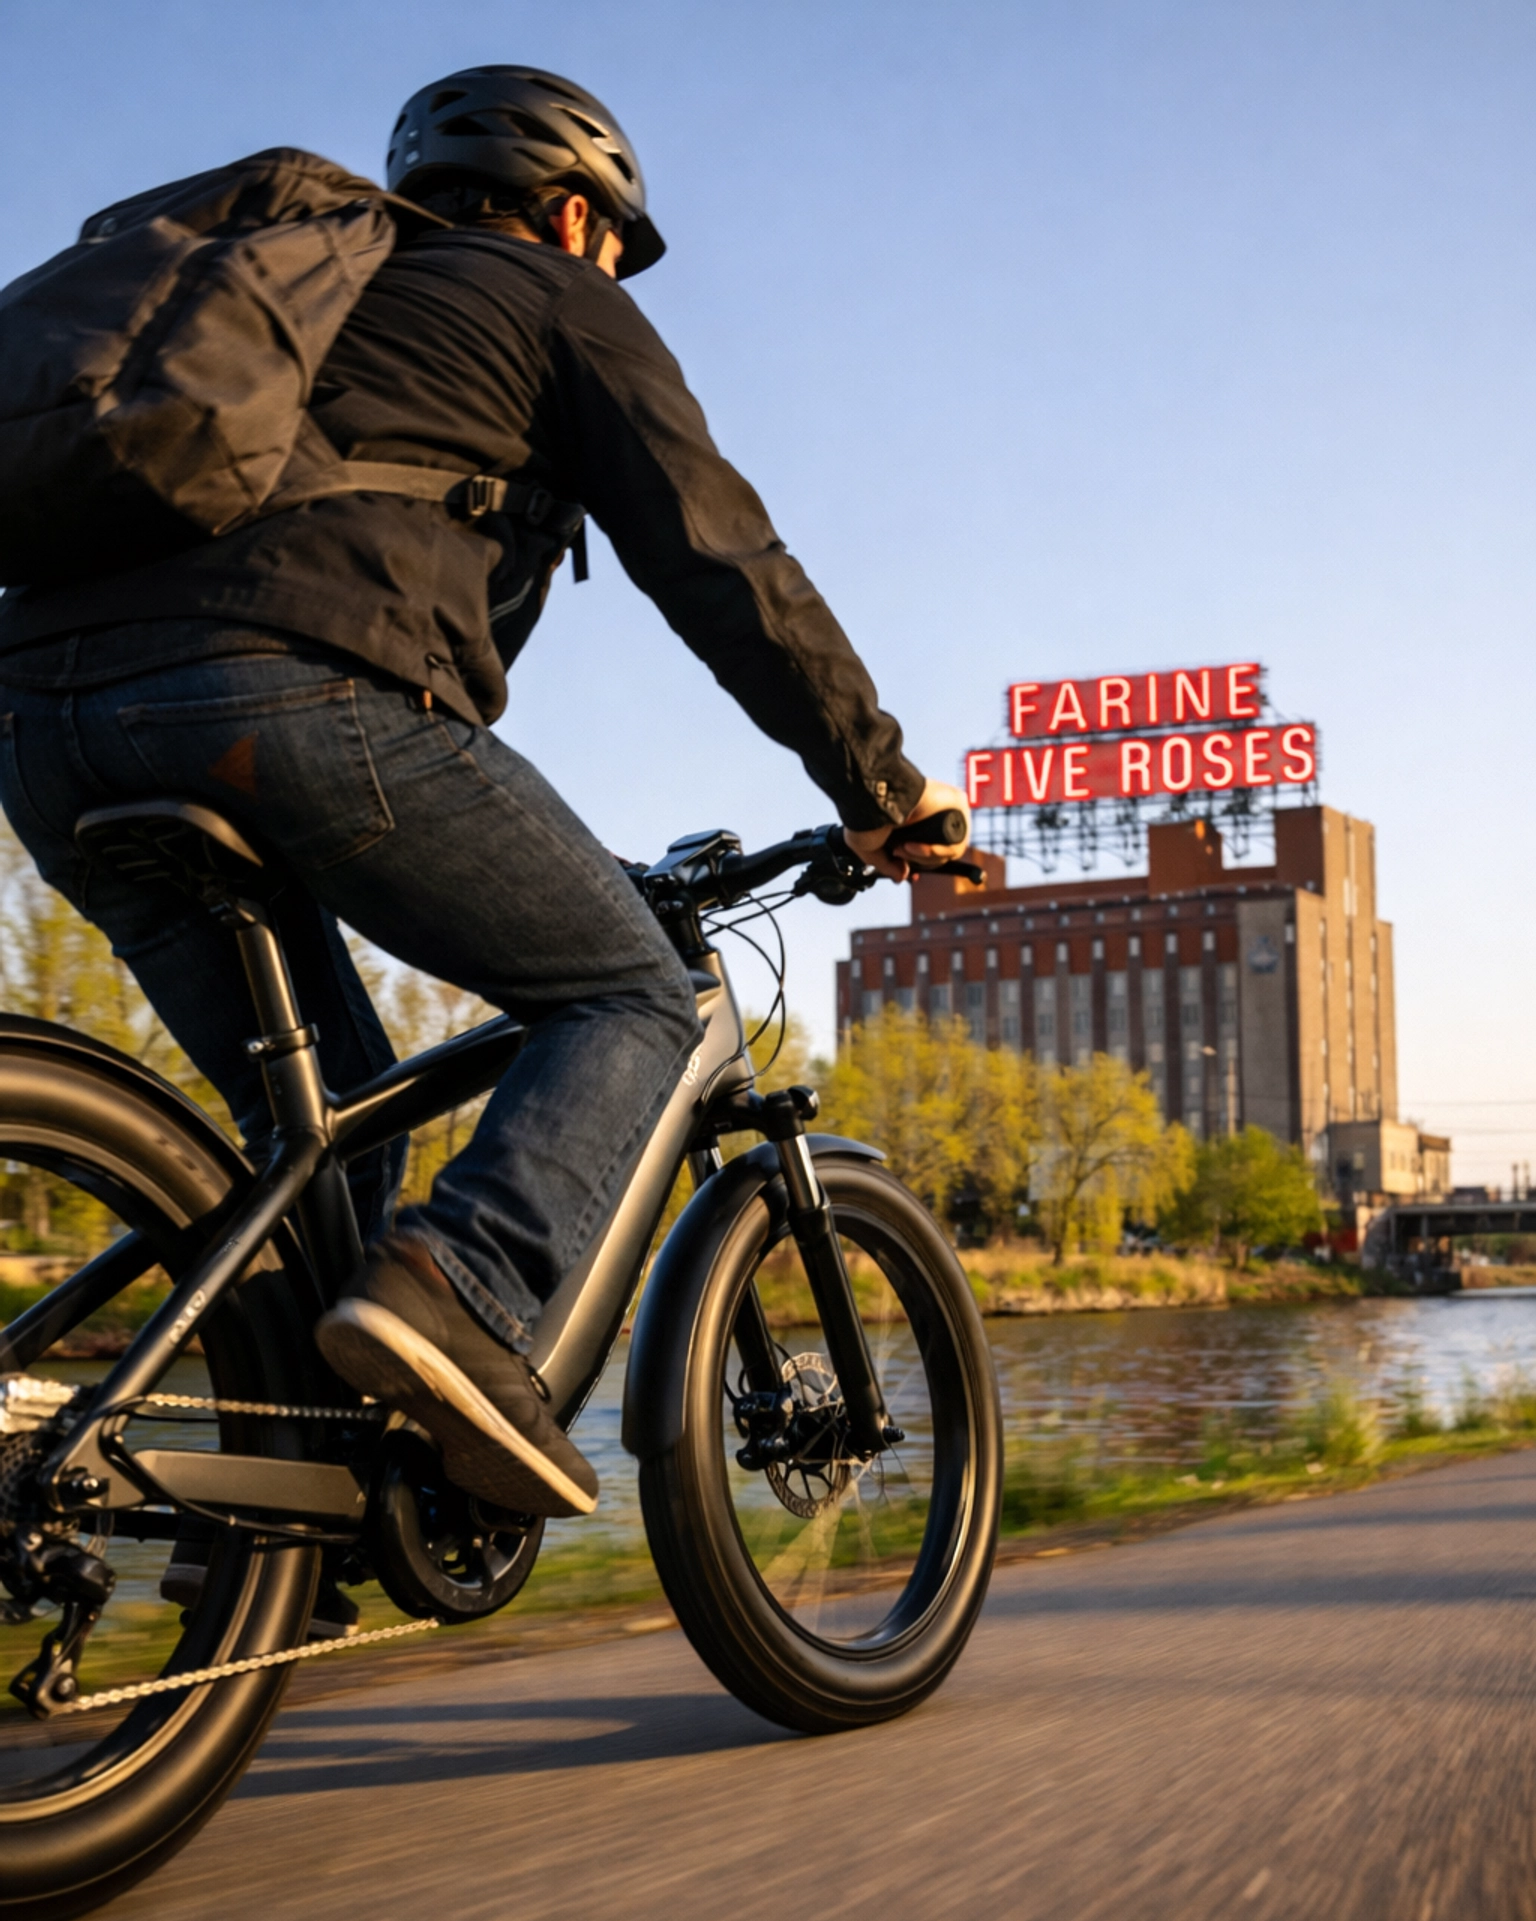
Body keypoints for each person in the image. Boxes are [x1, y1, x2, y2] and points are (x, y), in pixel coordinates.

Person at [0, 65, 970, 1519]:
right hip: (279, 695)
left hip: (38, 724)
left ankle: (298, 1493)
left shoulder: (302, 302)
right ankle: (465, 1292)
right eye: (611, 245)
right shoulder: (550, 296)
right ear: (573, 213)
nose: (612, 270)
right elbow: (719, 558)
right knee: (631, 995)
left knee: (330, 1123)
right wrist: (878, 781)